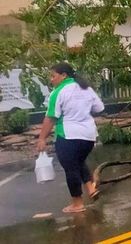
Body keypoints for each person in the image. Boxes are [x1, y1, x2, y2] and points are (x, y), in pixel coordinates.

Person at [36, 62, 104, 213]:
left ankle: (77, 204)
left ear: (64, 75)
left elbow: (50, 118)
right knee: (79, 162)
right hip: (89, 136)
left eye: (53, 76)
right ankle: (91, 189)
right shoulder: (86, 88)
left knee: (71, 168)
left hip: (68, 136)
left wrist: (42, 138)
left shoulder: (58, 92)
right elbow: (99, 108)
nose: (51, 80)